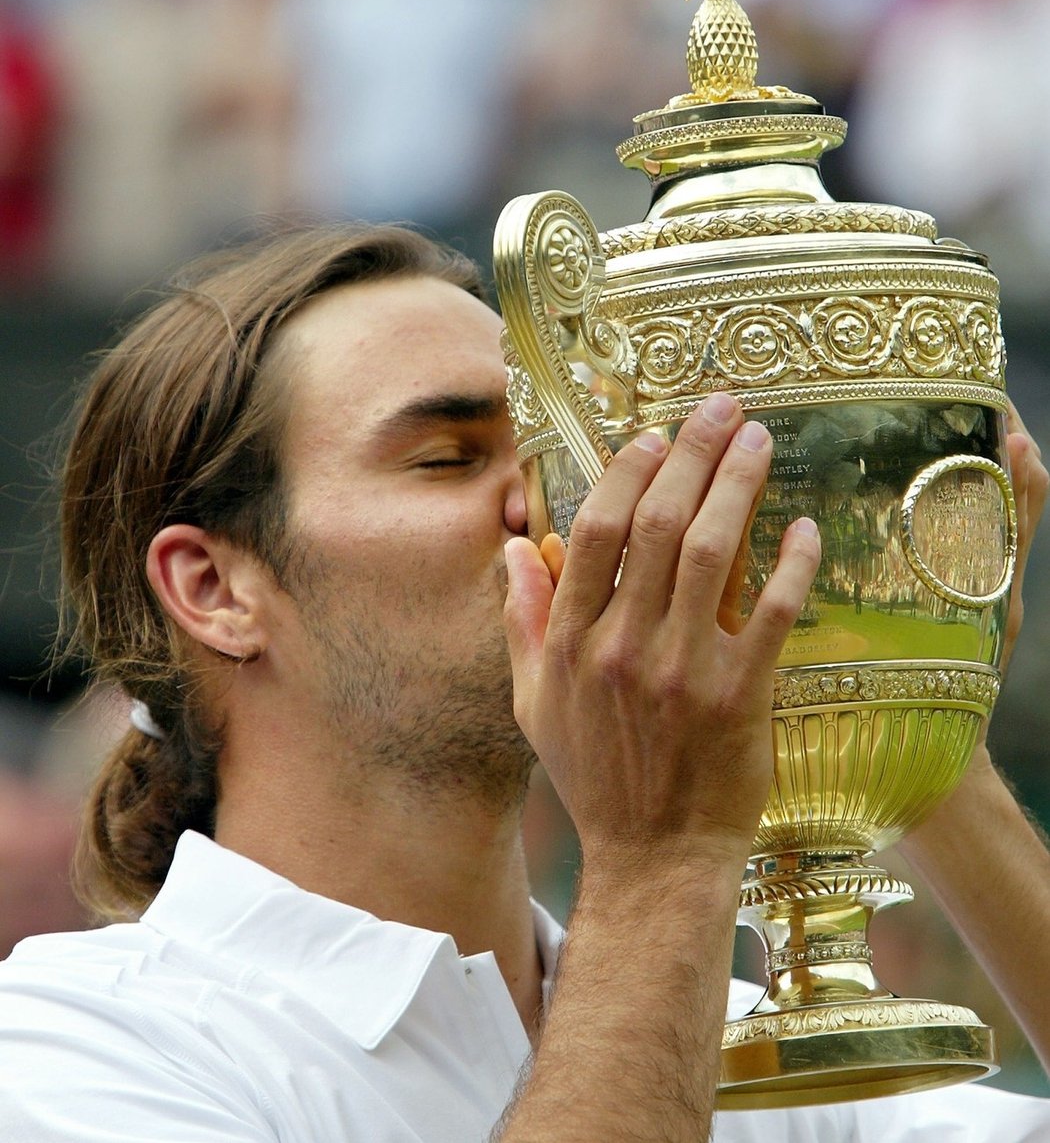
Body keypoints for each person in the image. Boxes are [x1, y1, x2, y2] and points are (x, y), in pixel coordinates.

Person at [0, 224, 1047, 1141]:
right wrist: (660, 859)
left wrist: (909, 710)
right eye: (449, 457)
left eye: (555, 456)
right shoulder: (72, 1048)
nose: (563, 513)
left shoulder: (742, 1043)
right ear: (215, 587)